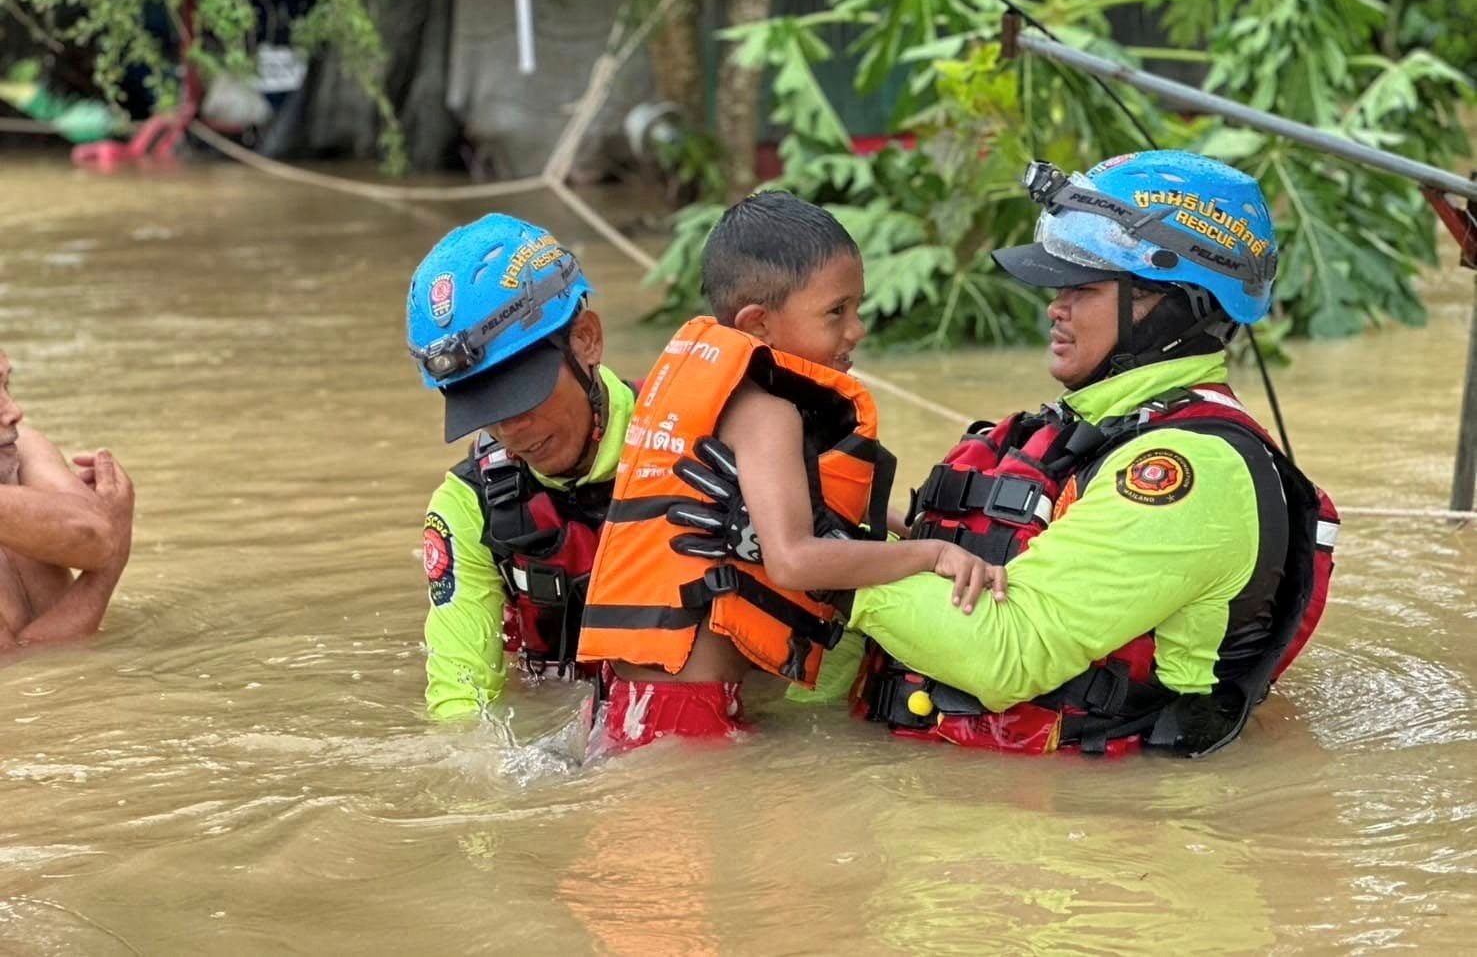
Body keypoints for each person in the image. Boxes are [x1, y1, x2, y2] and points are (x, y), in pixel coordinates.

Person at [674, 152, 1339, 757]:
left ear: (1170, 306)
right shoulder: (1076, 431)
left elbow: (1010, 655)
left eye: (1082, 289)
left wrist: (812, 561)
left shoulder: (1190, 472)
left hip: (1080, 826)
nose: (1055, 309)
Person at [575, 191, 1002, 752]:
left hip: (628, 700)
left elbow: (785, 510)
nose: (857, 329)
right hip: (687, 711)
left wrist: (904, 525)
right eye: (836, 312)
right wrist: (934, 554)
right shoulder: (768, 414)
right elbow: (793, 559)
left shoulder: (725, 400)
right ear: (759, 324)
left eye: (857, 307)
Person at [406, 214, 642, 720]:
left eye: (522, 394)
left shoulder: (696, 447)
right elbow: (461, 696)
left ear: (586, 340)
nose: (510, 428)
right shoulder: (470, 505)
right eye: (485, 409)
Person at [0, 351, 135, 650]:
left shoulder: (23, 447)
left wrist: (114, 532)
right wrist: (109, 569)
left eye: (6, 385)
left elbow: (97, 537)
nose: (14, 411)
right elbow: (28, 662)